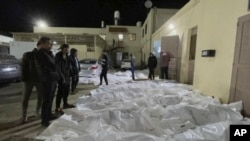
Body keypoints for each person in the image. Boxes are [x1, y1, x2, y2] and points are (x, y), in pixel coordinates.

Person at [35, 37, 59, 127]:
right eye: (49, 44)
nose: (51, 45)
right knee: (46, 100)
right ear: (43, 44)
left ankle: (48, 115)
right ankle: (44, 120)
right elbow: (52, 64)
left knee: (50, 99)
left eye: (51, 43)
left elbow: (54, 64)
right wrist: (54, 65)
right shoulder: (40, 53)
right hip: (46, 80)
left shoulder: (48, 53)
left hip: (52, 79)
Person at [20, 43, 43, 123]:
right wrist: (23, 78)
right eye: (42, 45)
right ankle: (24, 116)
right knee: (25, 98)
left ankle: (37, 112)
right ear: (38, 45)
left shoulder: (45, 56)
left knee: (41, 97)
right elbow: (23, 66)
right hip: (29, 80)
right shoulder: (28, 55)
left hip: (40, 80)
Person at [55, 44, 75, 115]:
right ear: (62, 49)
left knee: (66, 91)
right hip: (61, 76)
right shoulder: (58, 56)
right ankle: (57, 107)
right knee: (60, 92)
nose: (67, 50)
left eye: (67, 49)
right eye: (65, 48)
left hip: (67, 76)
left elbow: (71, 64)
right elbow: (57, 67)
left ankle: (65, 103)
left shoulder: (67, 56)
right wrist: (61, 76)